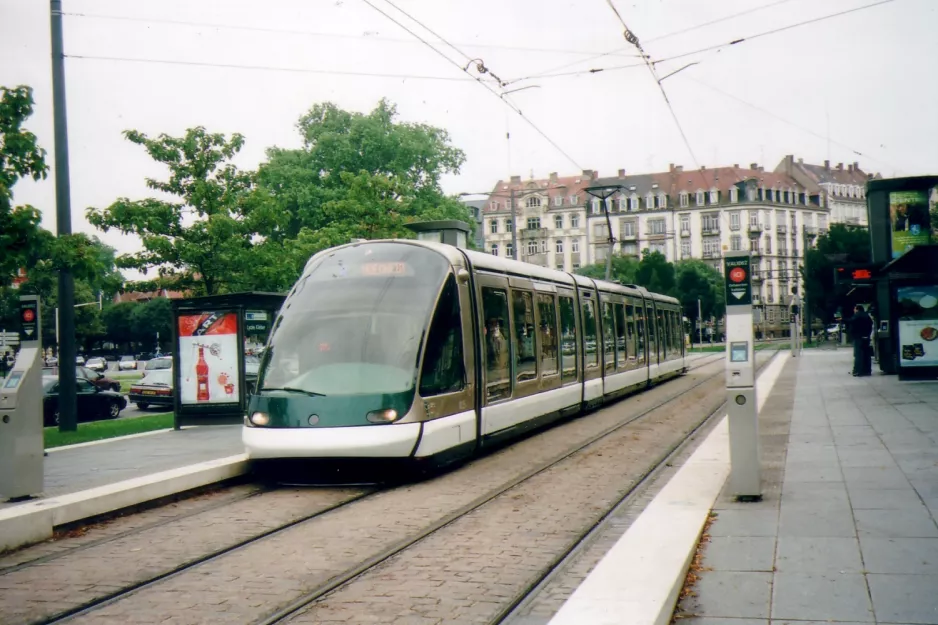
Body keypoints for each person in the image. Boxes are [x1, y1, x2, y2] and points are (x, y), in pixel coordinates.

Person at [847, 304, 873, 376]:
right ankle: (867, 370)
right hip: (866, 337)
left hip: (858, 337)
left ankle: (857, 370)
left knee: (858, 355)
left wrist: (842, 319)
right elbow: (871, 325)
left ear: (857, 309)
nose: (854, 310)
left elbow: (851, 321)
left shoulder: (857, 315)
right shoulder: (867, 316)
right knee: (867, 355)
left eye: (854, 309)